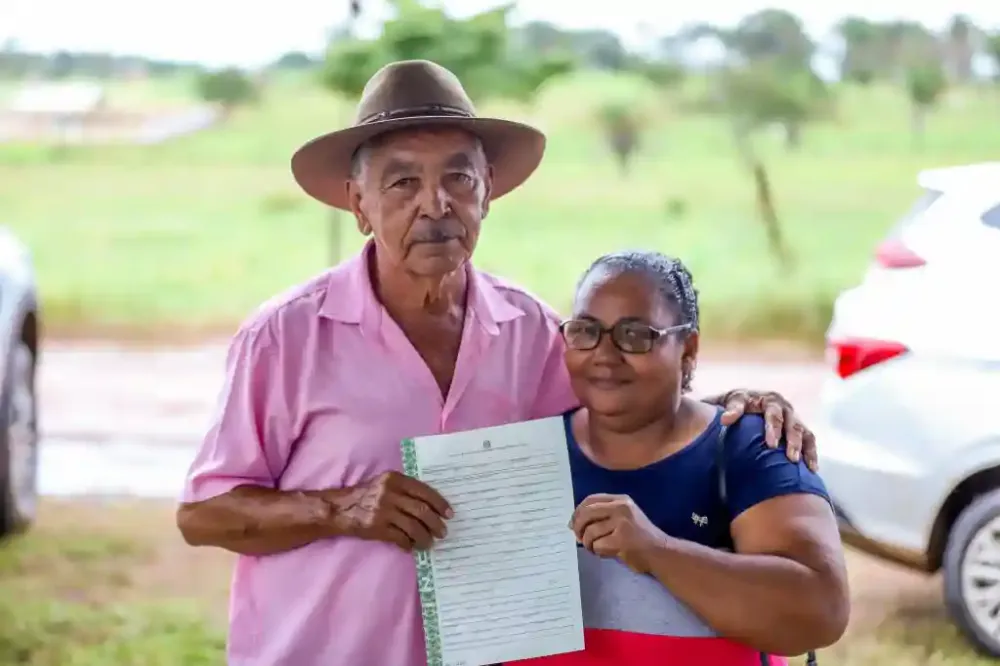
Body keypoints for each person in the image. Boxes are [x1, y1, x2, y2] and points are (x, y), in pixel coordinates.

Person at [175, 60, 824, 666]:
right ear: (358, 205)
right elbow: (203, 514)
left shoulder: (533, 331)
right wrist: (338, 508)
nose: (436, 205)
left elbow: (619, 423)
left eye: (459, 178)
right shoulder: (287, 336)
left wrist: (735, 411)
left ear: (487, 194)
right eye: (403, 182)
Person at [508, 251, 849, 666]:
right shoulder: (524, 458)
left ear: (688, 348)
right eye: (585, 331)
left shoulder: (749, 449)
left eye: (635, 335)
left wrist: (657, 550)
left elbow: (821, 611)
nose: (604, 354)